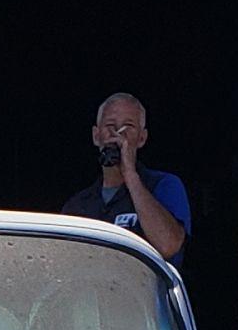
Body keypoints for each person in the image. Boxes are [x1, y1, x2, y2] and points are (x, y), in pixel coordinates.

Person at [60, 93, 189, 259]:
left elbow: (168, 245)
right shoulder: (77, 205)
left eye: (128, 127)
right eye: (110, 126)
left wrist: (130, 174)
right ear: (96, 136)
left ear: (142, 138)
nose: (117, 135)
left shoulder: (164, 185)